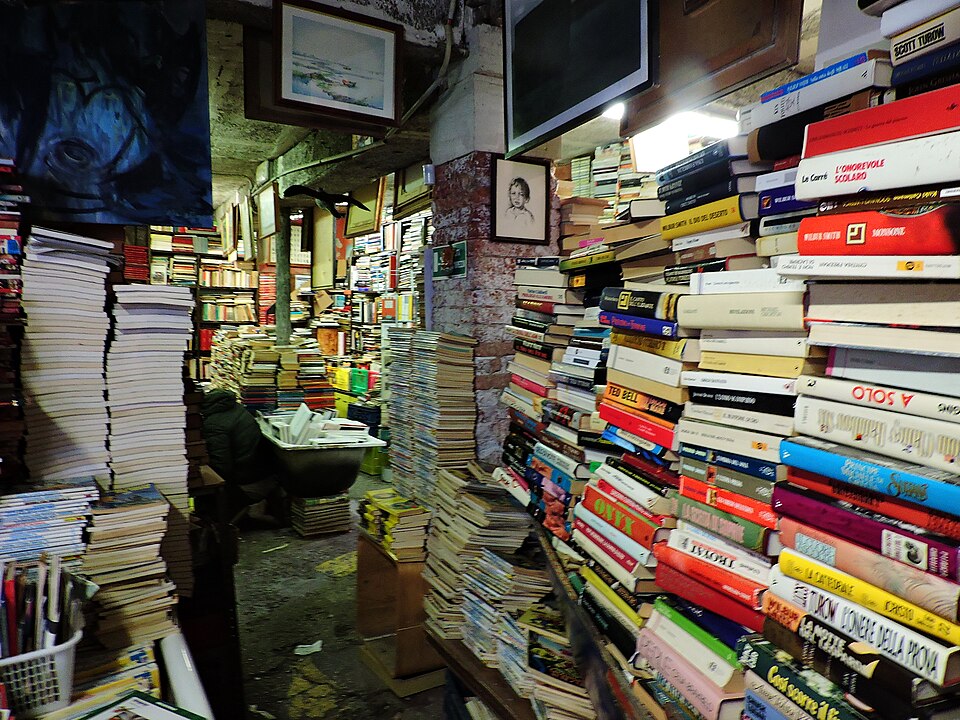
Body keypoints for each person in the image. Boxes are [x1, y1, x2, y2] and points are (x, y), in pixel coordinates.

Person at [201, 388, 281, 524]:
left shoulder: (214, 424)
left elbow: (222, 467)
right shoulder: (235, 408)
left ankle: (248, 513)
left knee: (205, 495)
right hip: (264, 474)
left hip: (249, 482)